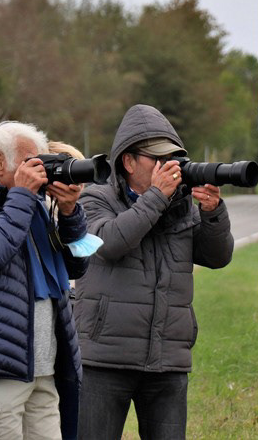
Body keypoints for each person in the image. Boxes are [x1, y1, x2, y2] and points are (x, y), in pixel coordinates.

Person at [75, 104, 235, 439]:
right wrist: (156, 198)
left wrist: (212, 212)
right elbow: (108, 244)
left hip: (167, 359)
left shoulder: (181, 208)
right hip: (106, 359)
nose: (169, 167)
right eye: (157, 159)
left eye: (173, 158)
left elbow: (217, 257)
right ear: (128, 161)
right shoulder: (95, 199)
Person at [0, 121, 90, 440]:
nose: (38, 170)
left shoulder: (33, 206)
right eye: (29, 162)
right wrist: (23, 195)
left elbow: (77, 266)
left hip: (43, 369)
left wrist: (69, 211)